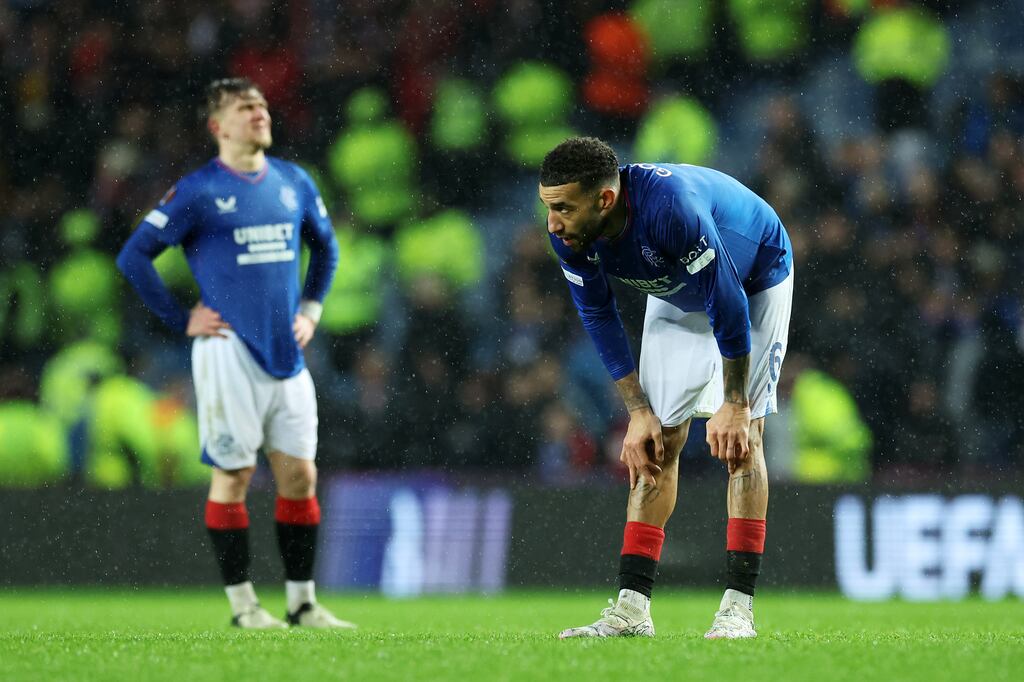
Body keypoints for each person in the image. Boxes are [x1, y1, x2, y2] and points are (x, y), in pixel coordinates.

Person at [117, 78, 350, 629]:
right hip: (227, 352)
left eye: (263, 105)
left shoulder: (293, 180)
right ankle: (245, 607)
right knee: (235, 474)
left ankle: (302, 602)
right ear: (217, 126)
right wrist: (182, 319)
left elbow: (328, 246)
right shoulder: (198, 191)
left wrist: (312, 309)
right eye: (244, 107)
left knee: (300, 478)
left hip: (286, 353)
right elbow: (135, 257)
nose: (259, 113)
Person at [539, 137, 793, 640]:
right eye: (548, 207)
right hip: (677, 290)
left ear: (605, 200)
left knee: (744, 442)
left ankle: (737, 611)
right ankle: (632, 610)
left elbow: (727, 300)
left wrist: (735, 403)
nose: (552, 223)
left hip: (754, 275)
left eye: (564, 208)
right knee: (655, 445)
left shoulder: (670, 210)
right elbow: (597, 313)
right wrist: (636, 410)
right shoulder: (570, 233)